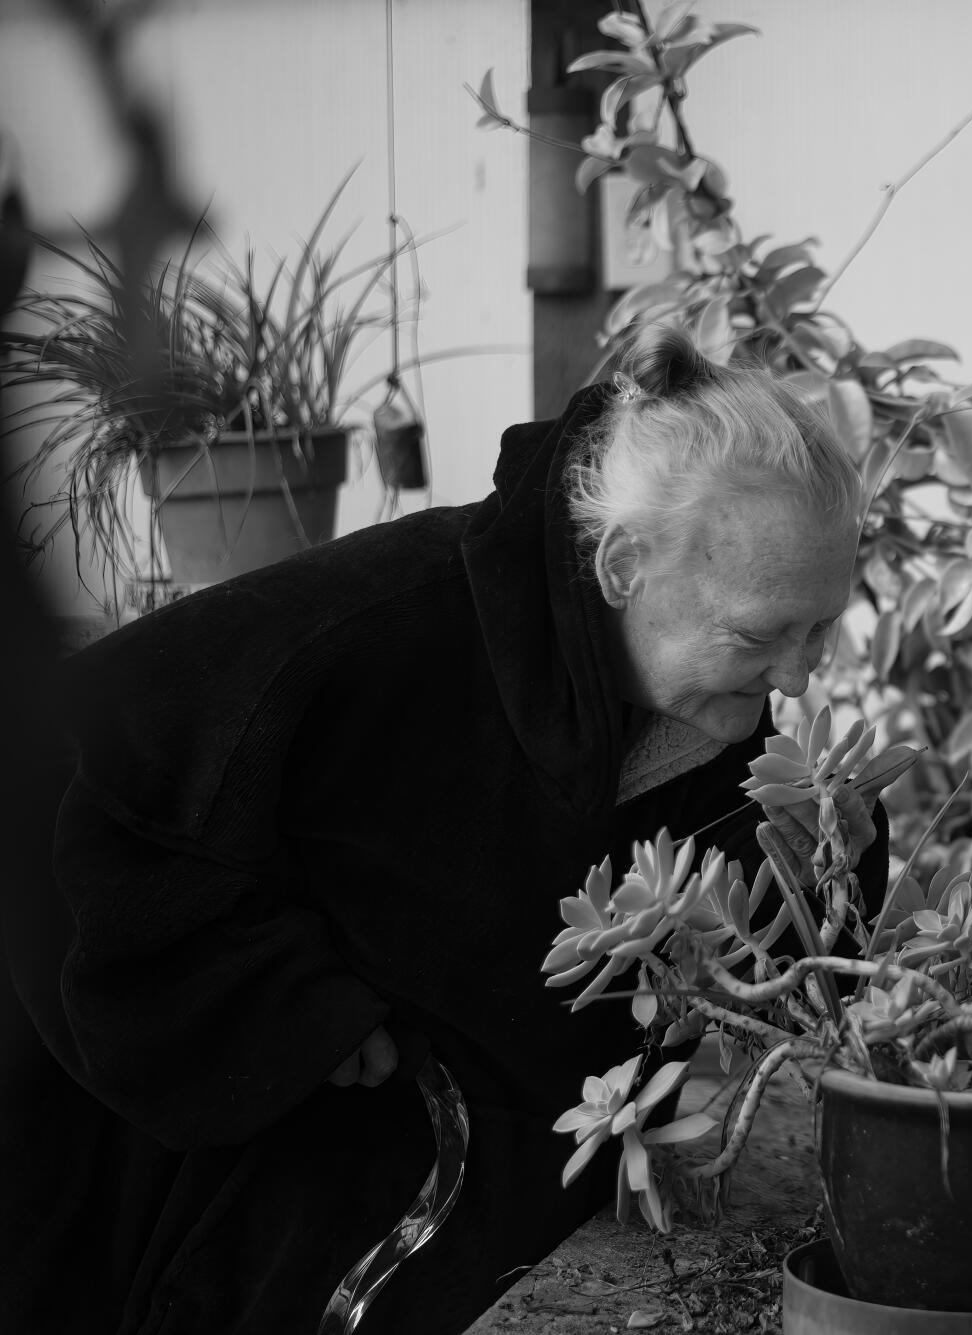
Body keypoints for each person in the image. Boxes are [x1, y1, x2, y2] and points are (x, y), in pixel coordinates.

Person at [0, 325, 888, 1334]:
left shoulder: (714, 714)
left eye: (820, 628)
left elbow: (732, 968)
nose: (799, 677)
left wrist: (828, 863)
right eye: (758, 634)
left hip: (454, 1216)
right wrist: (286, 1008)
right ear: (623, 564)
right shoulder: (375, 622)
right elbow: (61, 769)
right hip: (161, 1195)